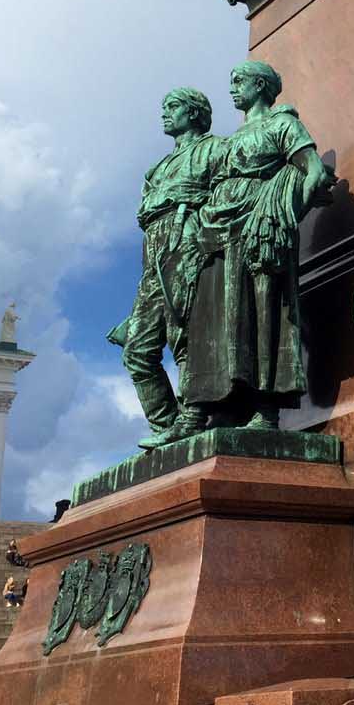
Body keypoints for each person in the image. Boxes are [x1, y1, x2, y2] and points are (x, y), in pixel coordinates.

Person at [143, 62, 331, 446]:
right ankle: (204, 409)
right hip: (217, 231)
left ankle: (266, 410)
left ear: (260, 86)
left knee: (263, 316)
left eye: (238, 82)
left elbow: (315, 172)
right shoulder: (229, 141)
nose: (231, 89)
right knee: (211, 322)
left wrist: (283, 215)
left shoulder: (282, 125)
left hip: (256, 230)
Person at [107, 88, 223, 441]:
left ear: (195, 113)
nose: (165, 113)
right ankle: (168, 426)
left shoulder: (215, 148)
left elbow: (230, 193)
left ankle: (192, 417)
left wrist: (196, 217)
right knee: (137, 349)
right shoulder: (157, 167)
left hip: (187, 237)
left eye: (172, 107)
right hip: (154, 246)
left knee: (184, 334)